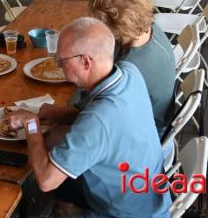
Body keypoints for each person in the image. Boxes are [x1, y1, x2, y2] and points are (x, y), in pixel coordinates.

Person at [10, 17, 171, 217]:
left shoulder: (97, 122)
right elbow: (100, 118)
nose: (58, 65)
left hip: (123, 212)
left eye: (61, 60)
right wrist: (59, 113)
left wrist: (30, 124)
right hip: (148, 195)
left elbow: (45, 180)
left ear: (86, 62)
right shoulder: (129, 73)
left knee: (41, 180)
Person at [88, 0, 176, 138]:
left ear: (116, 28)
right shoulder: (151, 30)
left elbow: (98, 113)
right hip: (160, 116)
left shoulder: (128, 67)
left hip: (146, 131)